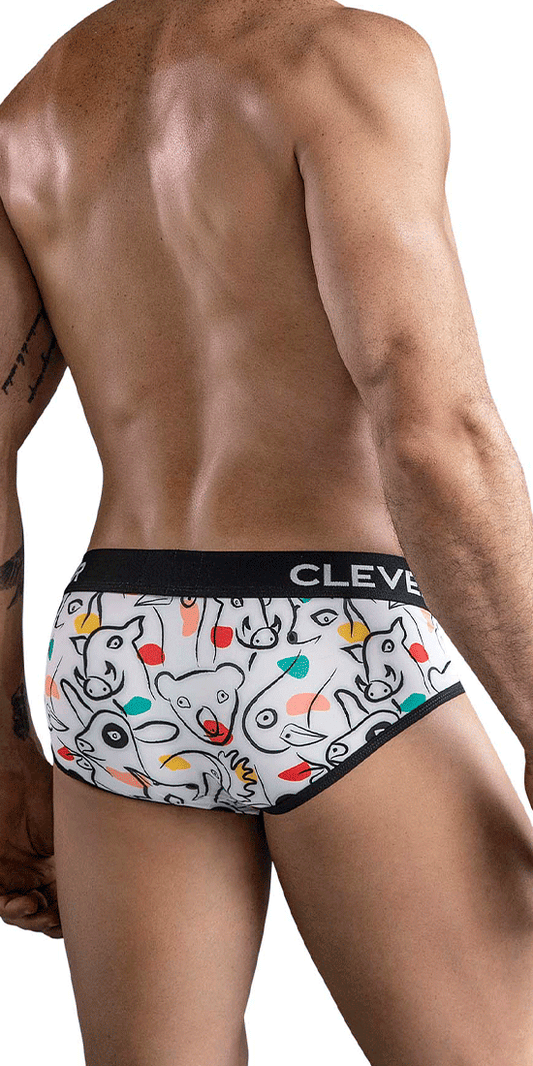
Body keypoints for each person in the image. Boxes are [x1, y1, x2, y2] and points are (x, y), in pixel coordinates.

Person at [1, 0, 533, 1063]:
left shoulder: (36, 108)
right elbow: (431, 427)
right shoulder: (342, 57)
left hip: (117, 655)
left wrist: (8, 754)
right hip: (327, 639)